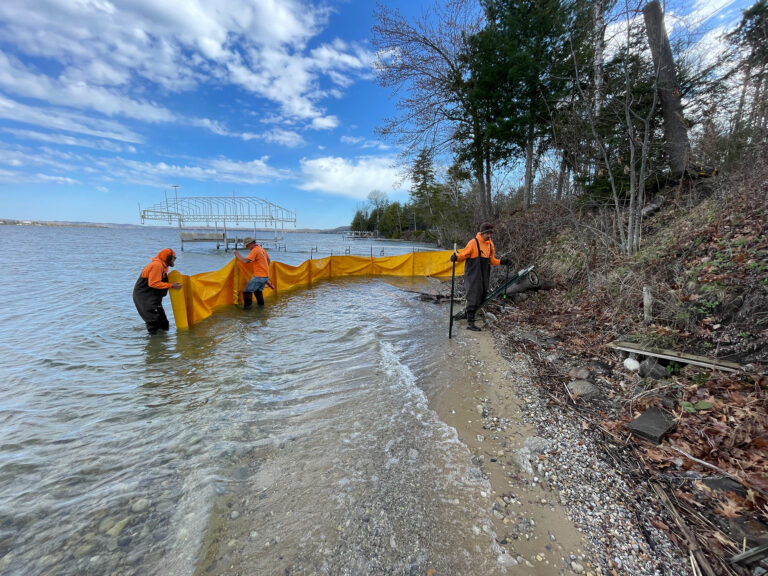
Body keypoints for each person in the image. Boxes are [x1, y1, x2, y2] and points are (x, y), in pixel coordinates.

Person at [451, 223, 511, 331]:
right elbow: (463, 255)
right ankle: (470, 323)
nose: (489, 236)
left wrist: (502, 261)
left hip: (484, 274)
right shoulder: (473, 243)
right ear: (482, 233)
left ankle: (469, 314)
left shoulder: (490, 244)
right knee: (473, 296)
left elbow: (492, 260)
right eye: (487, 233)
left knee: (483, 295)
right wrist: (455, 257)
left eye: (490, 233)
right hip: (473, 273)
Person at [133, 248, 182, 334]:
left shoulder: (162, 266)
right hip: (144, 298)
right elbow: (153, 283)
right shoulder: (157, 265)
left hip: (153, 298)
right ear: (168, 257)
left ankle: (163, 342)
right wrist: (171, 285)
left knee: (164, 323)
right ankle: (154, 345)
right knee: (153, 322)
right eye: (174, 258)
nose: (175, 260)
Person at [234, 237, 271, 309]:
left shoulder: (255, 250)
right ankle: (261, 308)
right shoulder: (261, 249)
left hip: (259, 276)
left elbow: (246, 261)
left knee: (247, 292)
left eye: (247, 246)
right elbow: (268, 260)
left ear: (251, 243)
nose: (247, 248)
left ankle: (247, 310)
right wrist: (264, 269)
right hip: (265, 276)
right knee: (258, 292)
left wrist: (237, 254)